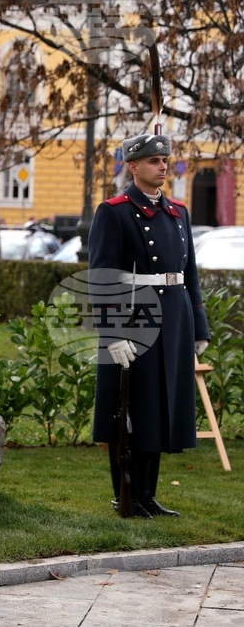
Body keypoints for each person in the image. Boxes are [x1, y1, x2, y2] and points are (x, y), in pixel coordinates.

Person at [89, 132, 209, 519]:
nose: (162, 166)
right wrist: (112, 334)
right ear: (133, 166)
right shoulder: (114, 211)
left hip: (174, 317)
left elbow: (189, 273)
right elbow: (102, 278)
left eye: (165, 160)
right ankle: (126, 495)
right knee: (128, 405)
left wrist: (199, 327)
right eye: (154, 161)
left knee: (160, 405)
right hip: (134, 317)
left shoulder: (178, 212)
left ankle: (147, 495)